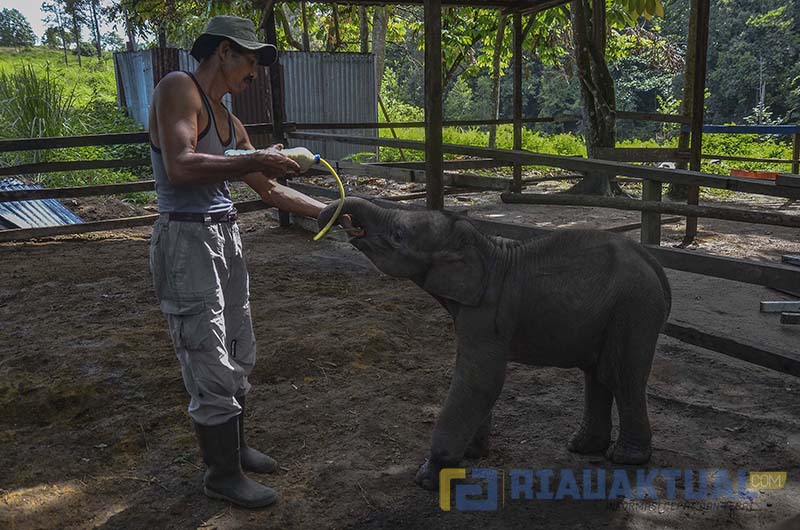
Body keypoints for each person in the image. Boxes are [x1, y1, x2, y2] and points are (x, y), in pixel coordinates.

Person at [148, 15, 335, 509]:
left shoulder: (232, 122)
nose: (255, 72)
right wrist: (254, 160)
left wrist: (332, 212)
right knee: (206, 352)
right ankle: (221, 474)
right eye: (251, 60)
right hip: (187, 240)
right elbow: (181, 164)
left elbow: (269, 189)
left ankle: (236, 448)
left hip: (225, 236)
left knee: (237, 344)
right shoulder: (178, 89)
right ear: (224, 52)